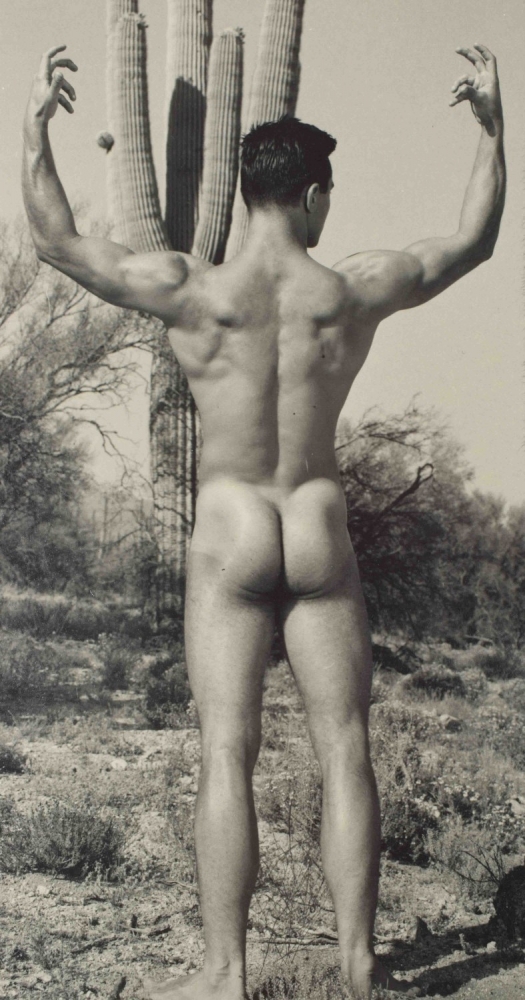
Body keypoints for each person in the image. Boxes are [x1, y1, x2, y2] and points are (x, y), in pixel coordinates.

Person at [23, 41, 505, 1000]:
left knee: (225, 752)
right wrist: (493, 133)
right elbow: (469, 242)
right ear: (313, 195)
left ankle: (223, 973)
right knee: (345, 748)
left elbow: (57, 242)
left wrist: (35, 127)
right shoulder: (350, 288)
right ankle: (359, 967)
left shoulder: (190, 289)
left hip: (230, 528)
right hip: (316, 524)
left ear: (243, 194)